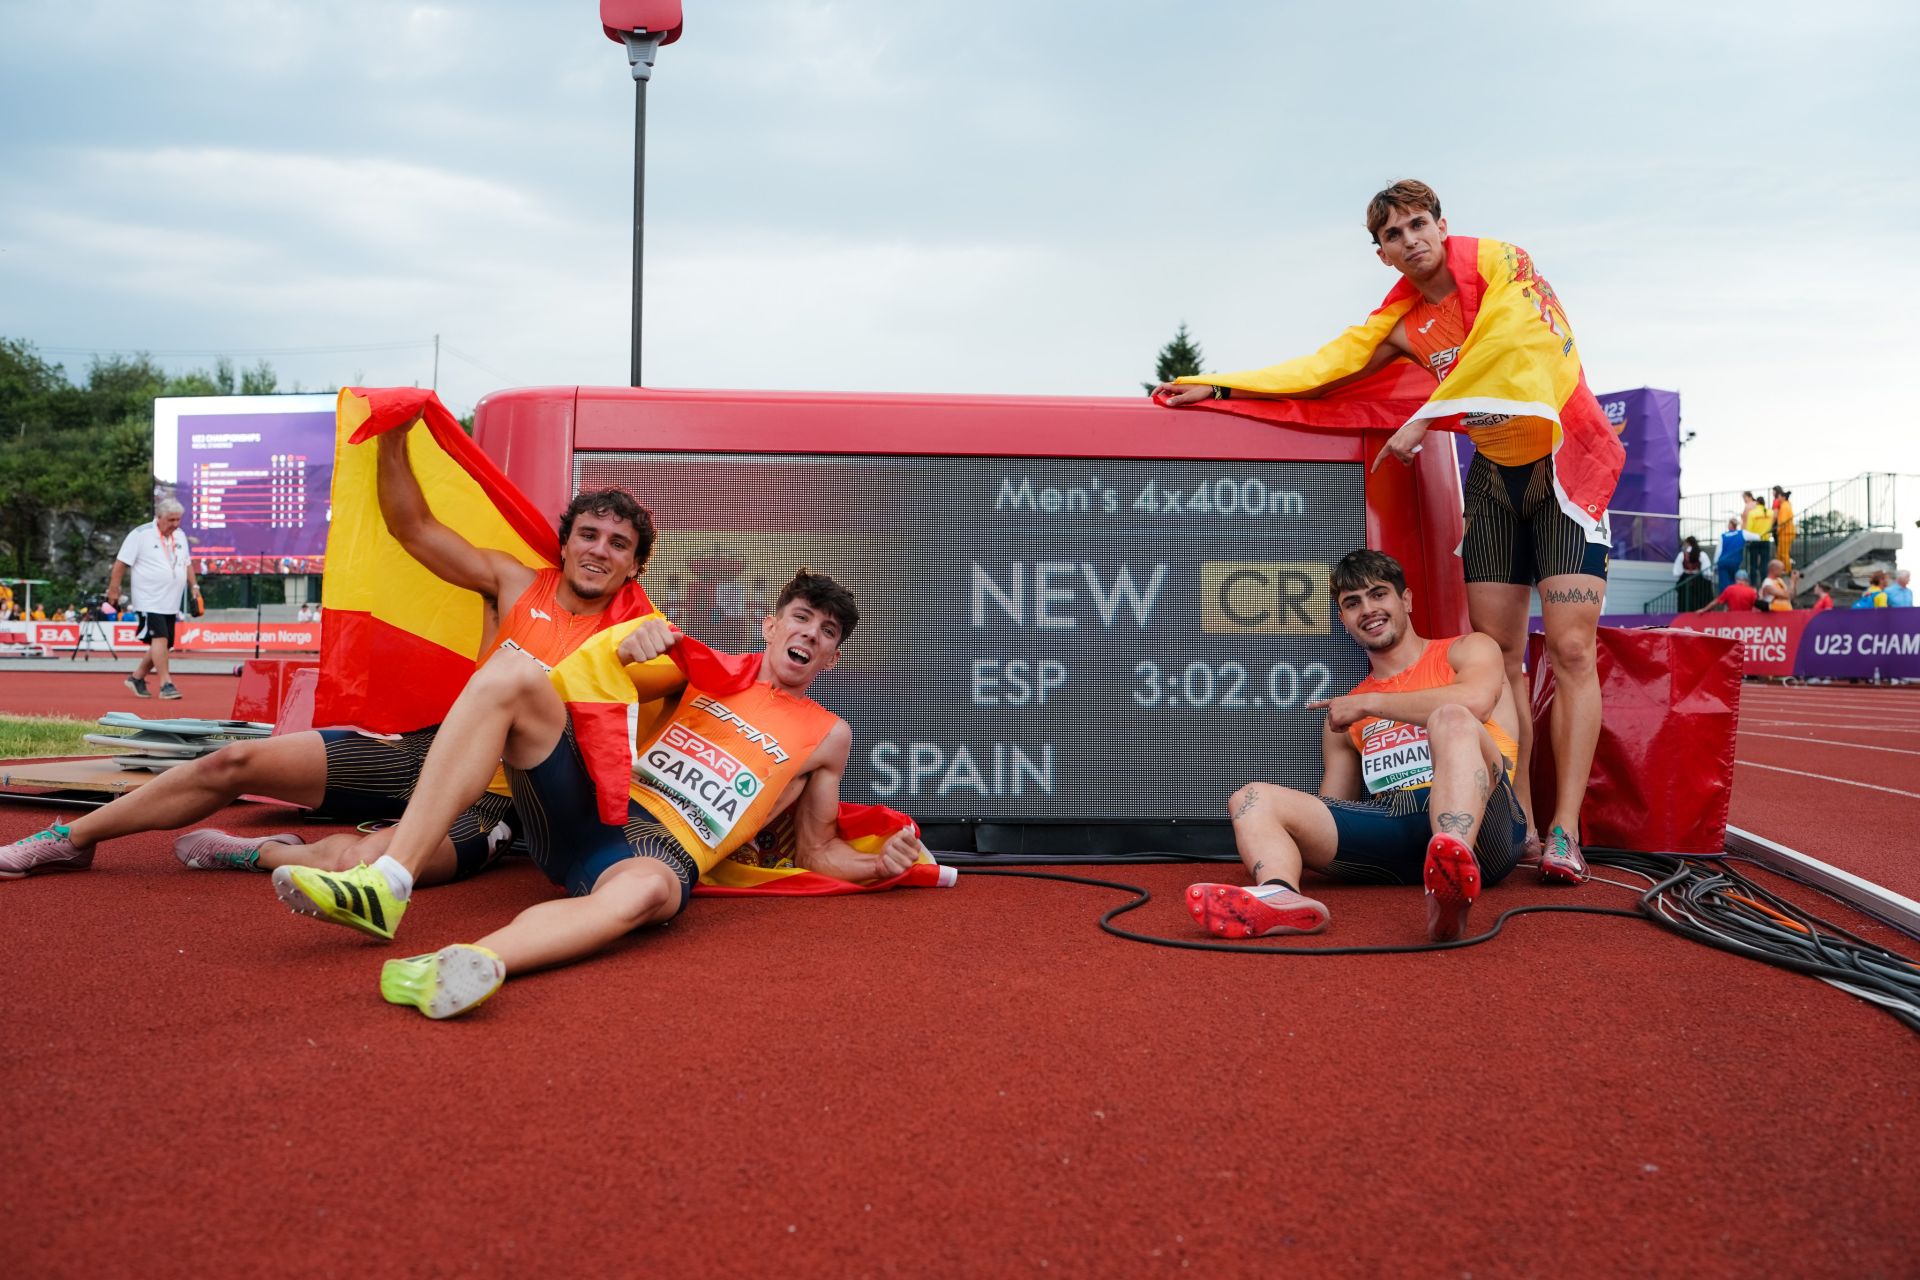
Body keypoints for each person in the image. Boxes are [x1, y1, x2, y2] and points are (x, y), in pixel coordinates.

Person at [1154, 179, 1618, 882]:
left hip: (1563, 465)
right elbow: (1320, 372)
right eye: (1394, 234)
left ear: (1441, 224)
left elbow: (1514, 341)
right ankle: (1520, 817)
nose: (1412, 239)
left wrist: (1426, 416)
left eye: (1420, 223)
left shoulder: (1501, 265)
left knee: (1572, 649)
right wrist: (1218, 386)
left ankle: (1565, 830)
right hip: (1494, 480)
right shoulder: (1401, 323)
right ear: (1382, 254)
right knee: (1503, 656)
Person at [0, 423, 655, 887]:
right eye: (588, 534)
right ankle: (69, 840)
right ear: (563, 543)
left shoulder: (643, 629)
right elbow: (414, 529)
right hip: (429, 750)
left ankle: (259, 853)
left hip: (496, 800)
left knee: (365, 865)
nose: (599, 550)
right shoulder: (514, 581)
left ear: (634, 564)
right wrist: (395, 434)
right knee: (235, 759)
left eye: (618, 544)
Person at [274, 569, 925, 1020]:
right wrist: (634, 644)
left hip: (654, 852)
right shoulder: (704, 668)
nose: (811, 634)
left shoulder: (829, 736)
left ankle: (466, 965)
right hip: (593, 808)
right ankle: (388, 881)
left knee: (648, 894)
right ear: (771, 625)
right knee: (513, 672)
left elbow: (815, 851)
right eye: (802, 618)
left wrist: (877, 866)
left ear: (833, 658)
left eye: (828, 631)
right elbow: (602, 682)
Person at [1185, 550, 1528, 944]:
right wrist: (1288, 832)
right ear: (1343, 619)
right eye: (1352, 603)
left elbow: (1476, 702)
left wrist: (1370, 703)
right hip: (1397, 827)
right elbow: (1333, 808)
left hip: (1488, 827)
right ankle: (1279, 895)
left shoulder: (1466, 650)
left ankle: (1451, 871)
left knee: (1451, 717)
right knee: (1251, 799)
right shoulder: (1345, 714)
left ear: (1407, 600)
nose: (1368, 609)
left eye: (1378, 594)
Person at [105, 498, 200, 700]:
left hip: (171, 600)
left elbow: (187, 563)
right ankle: (166, 684)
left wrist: (195, 586)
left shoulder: (180, 535)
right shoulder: (141, 534)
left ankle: (136, 678)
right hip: (149, 598)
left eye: (178, 520)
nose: (175, 524)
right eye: (171, 520)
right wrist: (114, 589)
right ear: (159, 517)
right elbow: (121, 563)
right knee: (160, 639)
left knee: (165, 644)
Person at [1740, 491, 1774, 586]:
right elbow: (1771, 525)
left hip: (1754, 540)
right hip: (1765, 540)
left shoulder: (1752, 513)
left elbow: (1749, 528)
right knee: (1764, 563)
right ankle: (1764, 583)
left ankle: (1753, 584)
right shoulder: (1770, 512)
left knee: (1753, 565)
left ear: (1757, 503)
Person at [1673, 536, 1713, 612]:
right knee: (1700, 600)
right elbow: (1706, 572)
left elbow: (1677, 573)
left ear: (1687, 543)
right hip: (1699, 580)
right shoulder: (1702, 554)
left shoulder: (1682, 555)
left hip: (1685, 579)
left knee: (1685, 601)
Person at [1715, 517, 1746, 593]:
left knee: (1725, 586)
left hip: (1723, 563)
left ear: (1731, 525)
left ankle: (1726, 600)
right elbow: (1757, 536)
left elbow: (1718, 551)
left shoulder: (1723, 536)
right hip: (1735, 563)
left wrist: (1715, 564)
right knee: (1734, 583)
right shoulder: (1741, 533)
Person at [1771, 487, 1796, 574]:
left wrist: (1777, 529)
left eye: (1779, 497)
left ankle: (1788, 570)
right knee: (1780, 553)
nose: (1778, 499)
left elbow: (1783, 521)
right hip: (1786, 533)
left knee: (1784, 554)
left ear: (1783, 497)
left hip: (1786, 533)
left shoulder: (1784, 506)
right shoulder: (1786, 505)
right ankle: (1781, 570)